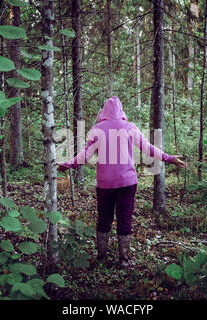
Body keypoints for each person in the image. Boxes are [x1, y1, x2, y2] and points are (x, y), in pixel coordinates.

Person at [58, 96, 186, 268]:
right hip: (128, 183)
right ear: (121, 111)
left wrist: (67, 165)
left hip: (105, 184)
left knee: (104, 219)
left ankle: (102, 257)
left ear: (104, 111)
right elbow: (147, 148)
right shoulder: (130, 127)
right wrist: (169, 158)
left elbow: (85, 156)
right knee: (124, 219)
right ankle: (123, 259)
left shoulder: (97, 129)